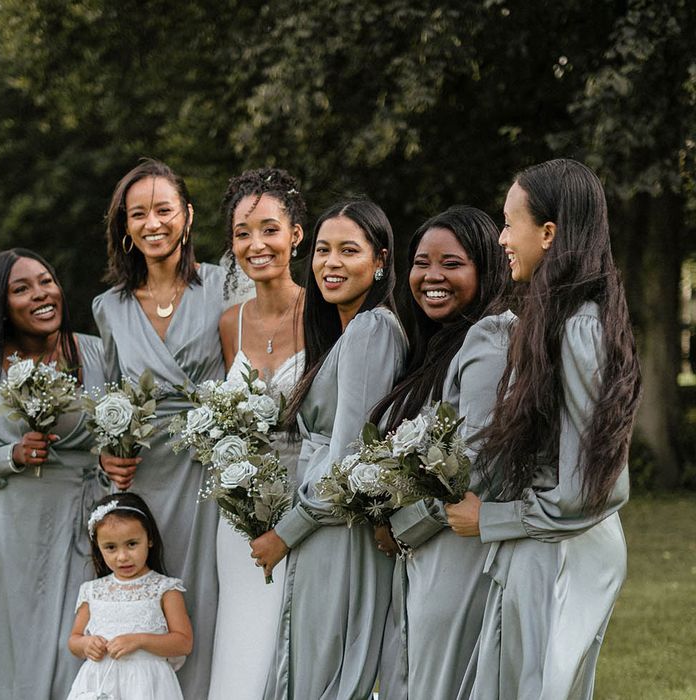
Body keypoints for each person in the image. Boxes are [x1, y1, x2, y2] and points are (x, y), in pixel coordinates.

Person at [446, 159, 642, 699]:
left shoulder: (578, 327)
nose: (502, 238)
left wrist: (491, 518)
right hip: (547, 545)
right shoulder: (557, 318)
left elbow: (596, 487)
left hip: (564, 552)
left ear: (549, 233)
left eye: (510, 224)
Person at [250, 199, 408, 700]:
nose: (331, 263)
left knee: (324, 672)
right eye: (322, 250)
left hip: (336, 528)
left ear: (380, 260)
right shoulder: (345, 331)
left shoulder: (372, 328)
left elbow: (348, 459)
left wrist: (285, 534)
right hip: (322, 524)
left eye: (348, 250)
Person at [0, 248, 107, 700]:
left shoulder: (94, 352)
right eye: (22, 288)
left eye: (46, 281)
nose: (41, 294)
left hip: (80, 523)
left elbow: (120, 427)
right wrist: (11, 454)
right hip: (7, 528)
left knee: (75, 651)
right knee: (5, 656)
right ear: (2, 304)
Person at [93, 158, 227, 697]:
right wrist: (108, 454)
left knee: (207, 593)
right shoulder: (109, 308)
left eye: (164, 209)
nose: (153, 223)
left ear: (187, 216)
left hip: (211, 470)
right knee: (147, 601)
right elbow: (105, 396)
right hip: (142, 476)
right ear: (125, 227)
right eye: (138, 213)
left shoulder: (224, 285)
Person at [368, 206, 511, 699]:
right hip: (426, 553)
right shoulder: (435, 346)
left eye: (452, 263)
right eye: (422, 262)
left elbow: (477, 464)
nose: (432, 276)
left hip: (458, 552)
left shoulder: (489, 342)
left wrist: (401, 526)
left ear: (486, 268)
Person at [208, 168, 306, 699]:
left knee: (297, 644)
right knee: (243, 642)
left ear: (295, 234)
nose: (256, 244)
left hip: (307, 503)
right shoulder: (230, 324)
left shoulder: (323, 313)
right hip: (240, 513)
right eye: (243, 233)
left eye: (269, 229)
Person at [67, 492, 193, 700]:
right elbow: (74, 639)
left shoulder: (165, 589)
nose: (122, 557)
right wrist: (85, 645)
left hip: (147, 686)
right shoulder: (92, 591)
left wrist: (140, 640)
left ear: (149, 539)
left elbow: (183, 642)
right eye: (110, 547)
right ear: (98, 548)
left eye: (132, 544)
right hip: (99, 684)